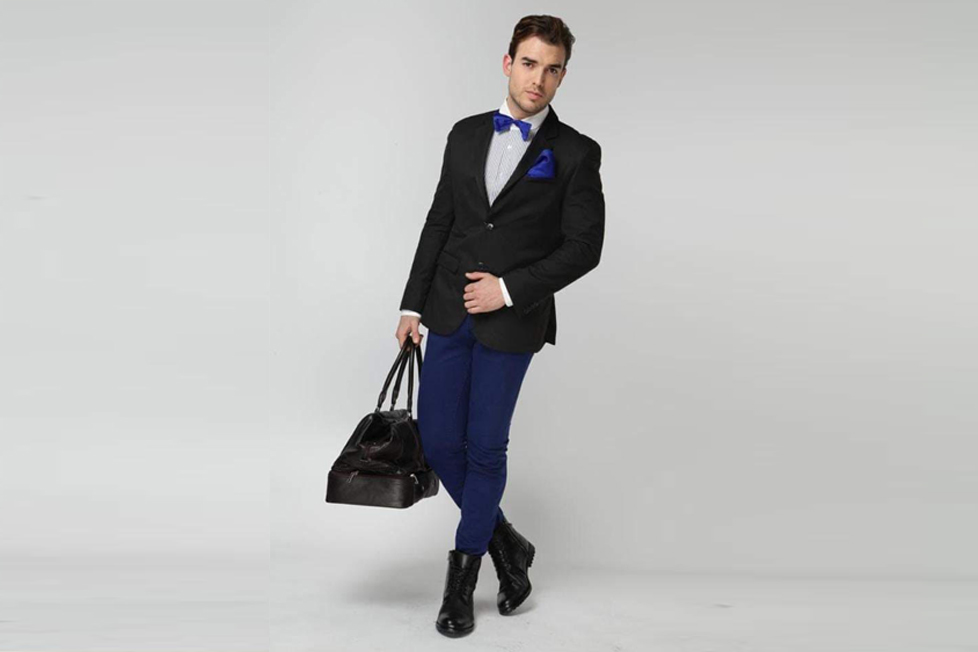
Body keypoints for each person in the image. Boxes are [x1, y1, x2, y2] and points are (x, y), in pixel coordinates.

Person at [395, 14, 605, 638]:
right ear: (508, 63)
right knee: (439, 442)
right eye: (530, 63)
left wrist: (508, 290)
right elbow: (440, 220)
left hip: (514, 321)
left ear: (563, 76)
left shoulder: (576, 153)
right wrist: (411, 306)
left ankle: (461, 586)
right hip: (447, 308)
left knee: (485, 447)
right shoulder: (464, 134)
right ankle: (508, 543)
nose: (539, 79)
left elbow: (585, 248)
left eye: (553, 69)